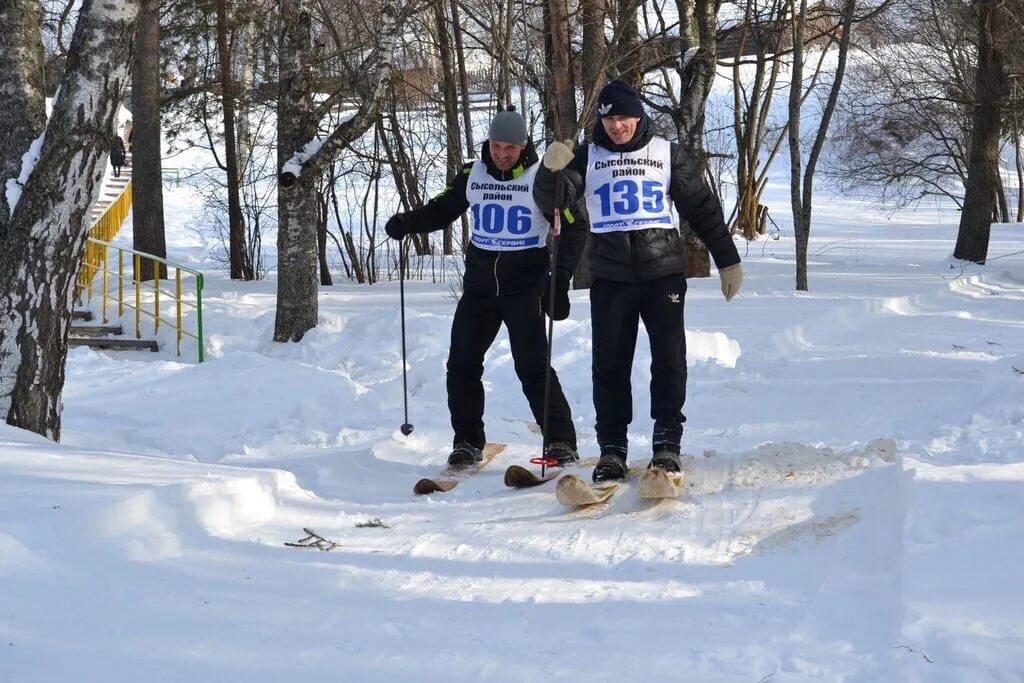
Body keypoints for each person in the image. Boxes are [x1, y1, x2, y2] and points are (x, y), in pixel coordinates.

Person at [534, 79, 743, 482]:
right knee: (609, 366)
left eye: (625, 118)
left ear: (638, 115)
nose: (617, 127)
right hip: (610, 278)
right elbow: (552, 204)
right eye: (610, 119)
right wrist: (549, 170)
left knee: (669, 360)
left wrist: (727, 258)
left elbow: (702, 207)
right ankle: (612, 448)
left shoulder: (667, 153)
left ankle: (667, 444)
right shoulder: (585, 157)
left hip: (663, 275)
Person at [385, 109, 587, 468]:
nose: (502, 154)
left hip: (524, 288)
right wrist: (408, 222)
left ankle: (560, 441)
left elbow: (574, 228)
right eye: (496, 145)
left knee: (532, 367)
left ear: (524, 146)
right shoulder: (472, 173)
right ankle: (466, 441)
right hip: (479, 287)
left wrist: (560, 279)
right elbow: (443, 208)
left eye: (510, 147)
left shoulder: (543, 178)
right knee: (461, 364)